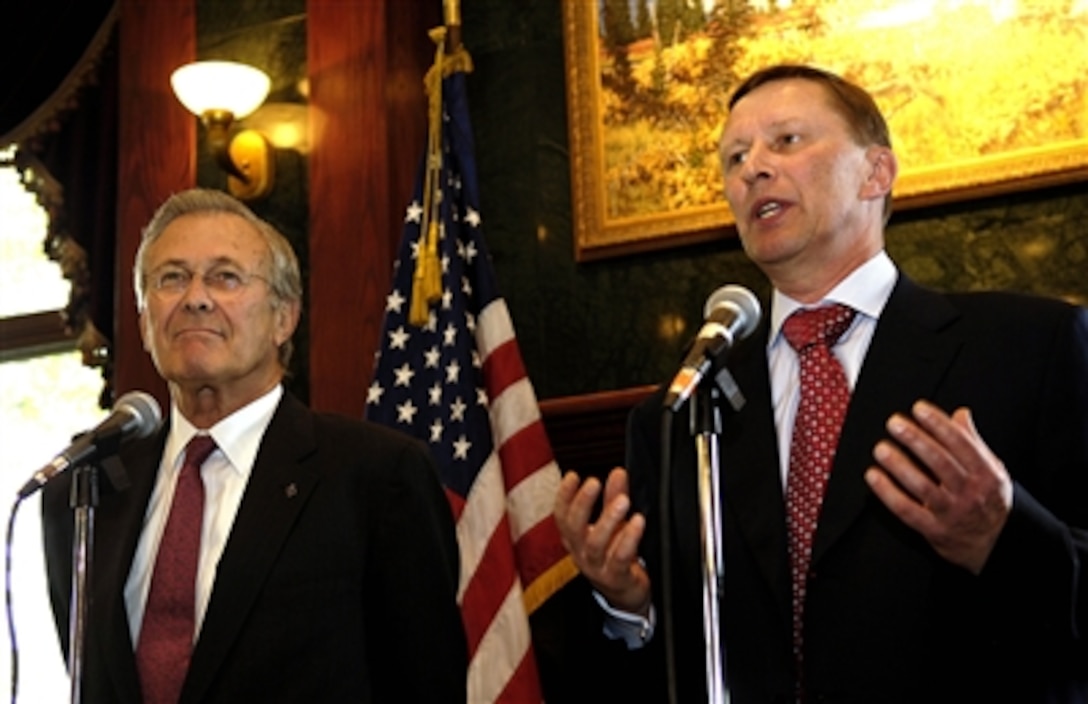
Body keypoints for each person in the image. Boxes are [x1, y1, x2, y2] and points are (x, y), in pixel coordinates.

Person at [555, 64, 1088, 703]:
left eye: (785, 141)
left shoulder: (1030, 347)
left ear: (876, 173)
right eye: (733, 157)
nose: (751, 168)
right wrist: (628, 607)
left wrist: (1004, 538)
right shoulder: (682, 411)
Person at [41, 188, 468, 703]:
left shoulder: (377, 475)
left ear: (283, 318)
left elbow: (426, 687)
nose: (195, 297)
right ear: (144, 321)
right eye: (171, 278)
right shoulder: (86, 487)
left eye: (225, 277)